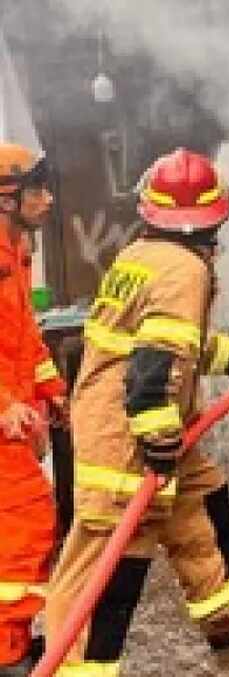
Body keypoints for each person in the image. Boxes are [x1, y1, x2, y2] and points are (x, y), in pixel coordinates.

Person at [46, 149, 229, 675]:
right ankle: (76, 667)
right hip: (126, 432)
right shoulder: (184, 270)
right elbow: (152, 367)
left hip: (148, 420)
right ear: (215, 213)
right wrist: (156, 442)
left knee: (201, 498)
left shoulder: (143, 254)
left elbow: (176, 345)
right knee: (111, 553)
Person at [0, 142, 67, 674]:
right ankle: (8, 657)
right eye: (36, 191)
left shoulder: (13, 252)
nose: (47, 201)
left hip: (15, 421)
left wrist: (51, 390)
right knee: (24, 530)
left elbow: (22, 337)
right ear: (6, 198)